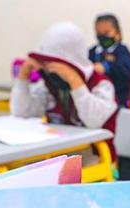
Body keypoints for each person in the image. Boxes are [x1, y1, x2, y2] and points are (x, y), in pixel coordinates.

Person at [10, 22, 118, 158]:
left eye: (52, 64)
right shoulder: (50, 84)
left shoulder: (101, 84)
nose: (48, 69)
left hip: (95, 158)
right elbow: (22, 113)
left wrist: (75, 81)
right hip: (59, 155)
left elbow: (93, 121)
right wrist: (22, 78)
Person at [89, 14, 130, 107]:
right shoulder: (93, 51)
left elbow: (126, 67)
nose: (103, 37)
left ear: (117, 33)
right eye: (99, 34)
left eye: (106, 33)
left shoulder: (122, 51)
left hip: (118, 99)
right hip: (96, 99)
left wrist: (106, 67)